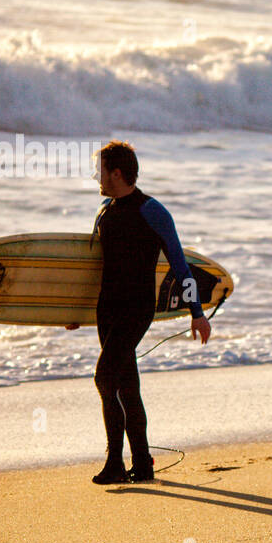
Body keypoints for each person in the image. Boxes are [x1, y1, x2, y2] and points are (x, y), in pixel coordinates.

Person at [67, 141, 211, 484]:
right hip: (107, 309)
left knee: (105, 378)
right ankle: (142, 464)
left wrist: (197, 312)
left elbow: (179, 265)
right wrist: (76, 310)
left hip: (136, 309)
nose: (95, 177)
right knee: (126, 386)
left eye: (99, 170)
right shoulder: (104, 210)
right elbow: (96, 269)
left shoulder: (152, 211)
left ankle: (115, 463)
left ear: (117, 172)